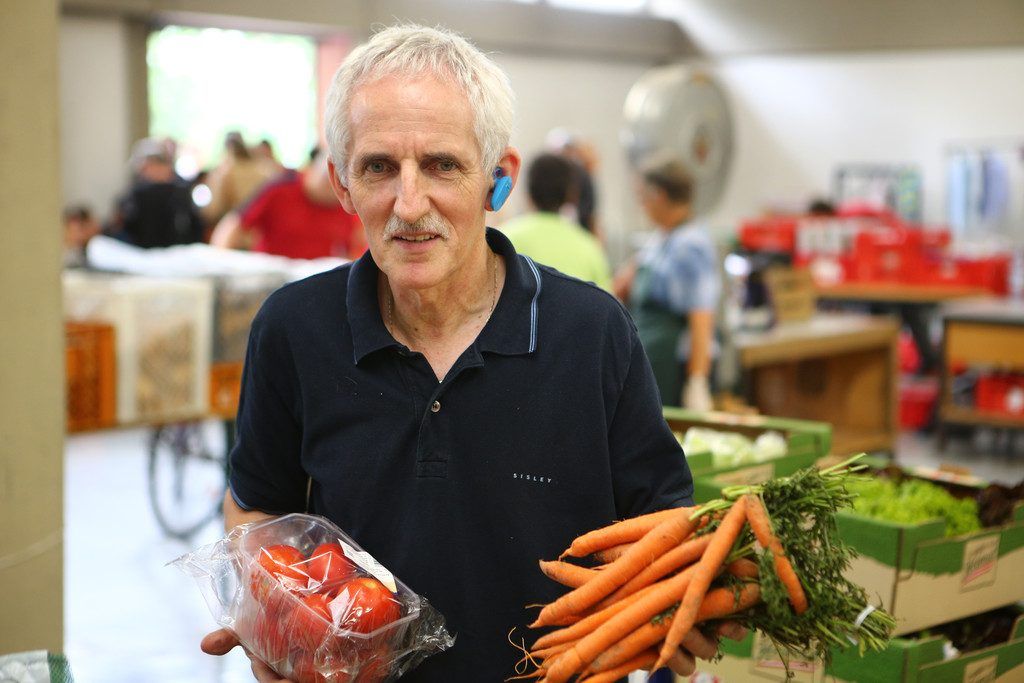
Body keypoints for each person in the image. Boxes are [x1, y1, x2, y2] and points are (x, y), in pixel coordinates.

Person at [200, 25, 722, 682]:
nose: (409, 204)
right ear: (341, 183)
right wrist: (267, 615)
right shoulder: (293, 328)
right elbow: (256, 506)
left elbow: (663, 527)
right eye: (379, 167)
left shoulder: (592, 335)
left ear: (498, 179)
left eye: (442, 165)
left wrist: (676, 607)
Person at [614, 157, 721, 411]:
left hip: (675, 369)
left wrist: (697, 382)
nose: (642, 206)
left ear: (658, 195)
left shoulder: (691, 246)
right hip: (654, 362)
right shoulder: (663, 238)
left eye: (642, 197)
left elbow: (701, 318)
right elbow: (624, 283)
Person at [210, 150, 366, 260]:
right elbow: (232, 226)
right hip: (271, 276)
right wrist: (221, 263)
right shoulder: (281, 187)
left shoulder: (348, 203)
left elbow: (356, 246)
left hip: (314, 282)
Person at [500, 152, 612, 289]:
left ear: (528, 192)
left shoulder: (503, 239)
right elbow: (606, 302)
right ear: (570, 195)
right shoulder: (590, 247)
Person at [105, 138, 204, 248]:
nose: (142, 173)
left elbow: (195, 228)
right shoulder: (134, 195)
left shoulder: (183, 191)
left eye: (145, 167)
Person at [202, 131, 278, 226]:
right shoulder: (264, 169)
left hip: (234, 230)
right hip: (259, 230)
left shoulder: (224, 172)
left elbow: (213, 210)